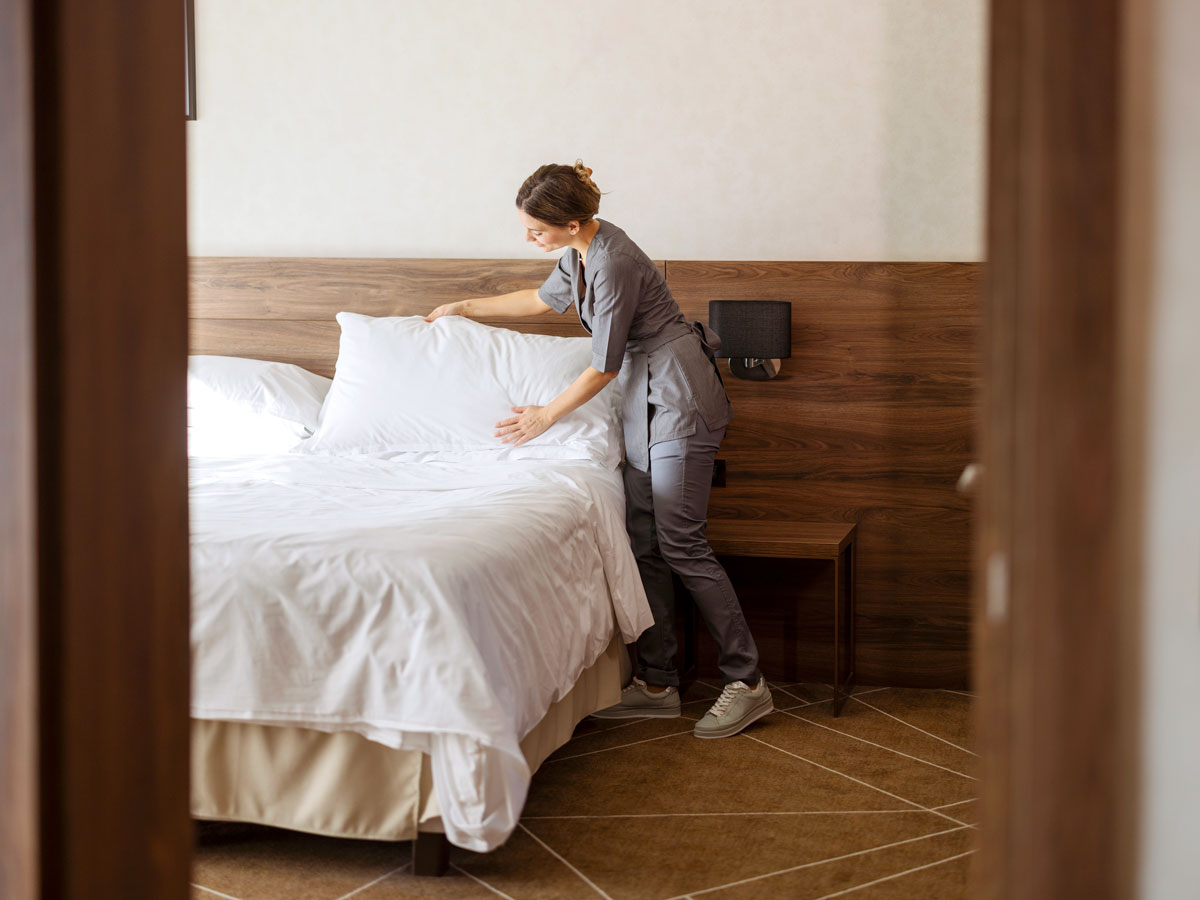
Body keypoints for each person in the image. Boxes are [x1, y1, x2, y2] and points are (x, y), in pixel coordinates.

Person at [425, 160, 772, 739]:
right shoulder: (582, 251)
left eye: (536, 230)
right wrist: (464, 307)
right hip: (644, 394)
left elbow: (603, 366)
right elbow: (540, 302)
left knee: (681, 541)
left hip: (678, 397)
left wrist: (543, 417)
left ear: (574, 221)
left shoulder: (611, 262)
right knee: (645, 538)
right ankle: (659, 683)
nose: (529, 238)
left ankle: (749, 682)